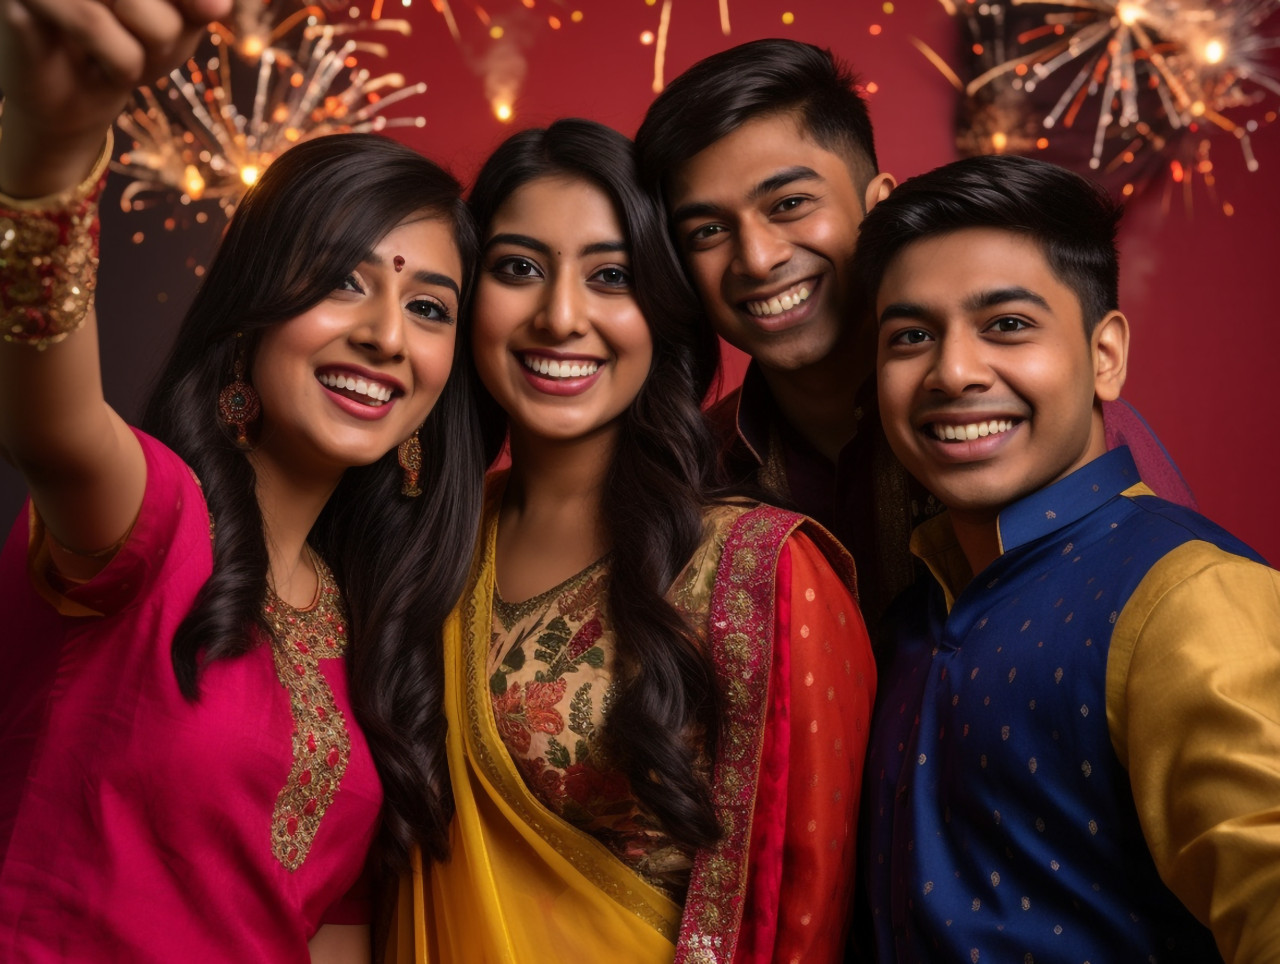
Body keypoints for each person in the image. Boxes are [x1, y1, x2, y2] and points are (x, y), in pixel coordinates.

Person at [0, 2, 484, 960]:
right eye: (343, 281)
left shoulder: (374, 632)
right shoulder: (155, 516)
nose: (387, 335)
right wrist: (53, 146)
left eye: (429, 308)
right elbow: (48, 424)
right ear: (255, 310)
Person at [385, 118, 877, 963]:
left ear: (663, 310)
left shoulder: (759, 570)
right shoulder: (422, 548)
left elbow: (802, 917)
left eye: (611, 276)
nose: (560, 316)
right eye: (518, 268)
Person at [633, 38, 1196, 647]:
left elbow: (1172, 618)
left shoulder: (1045, 429)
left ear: (878, 206)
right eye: (708, 231)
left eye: (790, 204)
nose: (758, 258)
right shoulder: (697, 469)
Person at [856, 154, 1280, 962]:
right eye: (911, 337)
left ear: (1105, 355)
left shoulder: (1189, 597)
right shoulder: (911, 618)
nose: (952, 372)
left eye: (1007, 325)